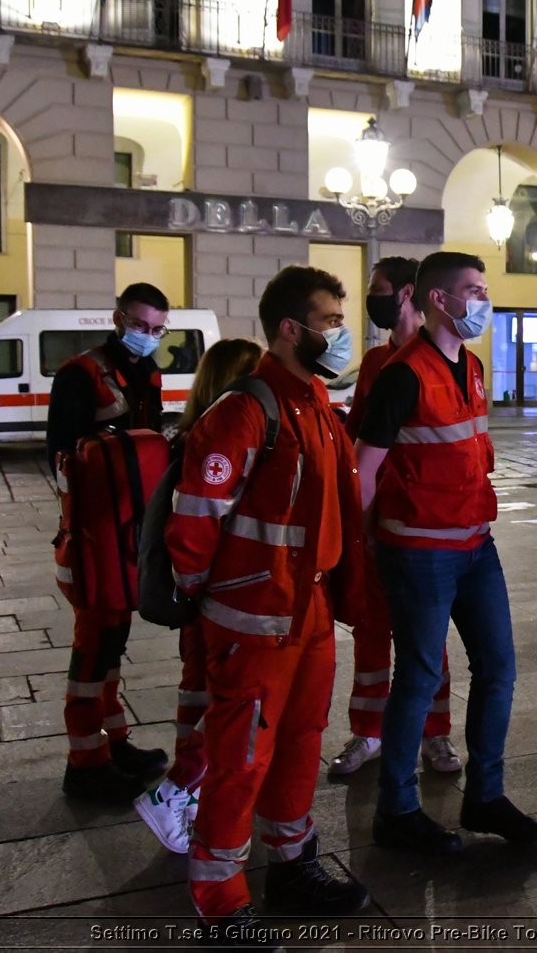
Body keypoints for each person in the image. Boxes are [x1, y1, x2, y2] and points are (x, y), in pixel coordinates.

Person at [167, 267, 368, 939]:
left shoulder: (314, 401)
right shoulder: (246, 409)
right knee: (240, 759)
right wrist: (207, 597)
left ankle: (290, 862)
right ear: (291, 328)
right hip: (253, 618)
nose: (341, 334)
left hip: (306, 610)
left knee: (300, 744)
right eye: (332, 321)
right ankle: (219, 899)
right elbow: (194, 520)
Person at [356, 251, 537, 854]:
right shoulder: (401, 373)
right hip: (418, 552)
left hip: (474, 546)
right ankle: (397, 810)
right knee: (419, 677)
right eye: (473, 290)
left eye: (484, 289)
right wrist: (354, 548)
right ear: (438, 299)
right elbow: (363, 472)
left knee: (498, 669)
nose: (483, 301)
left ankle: (485, 797)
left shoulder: (473, 366)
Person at [330, 256, 462, 779]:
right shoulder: (374, 364)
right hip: (379, 525)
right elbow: (359, 443)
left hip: (426, 527)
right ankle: (368, 732)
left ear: (407, 293)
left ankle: (437, 735)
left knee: (429, 638)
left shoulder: (446, 361)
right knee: (371, 628)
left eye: (378, 289)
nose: (373, 298)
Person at [135, 337, 262, 855]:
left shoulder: (190, 435)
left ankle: (190, 793)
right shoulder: (220, 440)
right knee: (233, 699)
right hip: (221, 594)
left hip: (201, 596)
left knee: (201, 691)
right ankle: (179, 790)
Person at [47, 282, 172, 803]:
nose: (148, 336)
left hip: (130, 528)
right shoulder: (81, 375)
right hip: (95, 533)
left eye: (158, 330)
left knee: (114, 644)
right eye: (141, 326)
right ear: (118, 319)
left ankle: (113, 742)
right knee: (93, 648)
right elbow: (62, 458)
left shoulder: (147, 372)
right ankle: (84, 763)